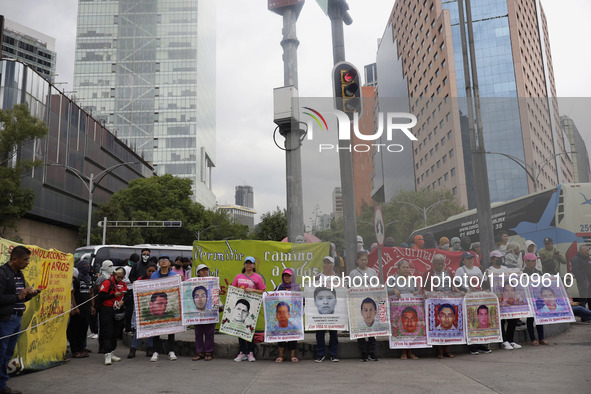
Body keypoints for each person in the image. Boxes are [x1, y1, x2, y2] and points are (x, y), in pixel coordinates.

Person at [0, 246, 40, 393]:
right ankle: (2, 386)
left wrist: (30, 295)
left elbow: (21, 297)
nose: (27, 263)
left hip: (17, 318)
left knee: (8, 353)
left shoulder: (19, 274)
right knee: (1, 353)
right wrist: (19, 296)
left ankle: (2, 385)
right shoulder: (3, 273)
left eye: (28, 259)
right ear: (14, 259)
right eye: (25, 259)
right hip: (5, 320)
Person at [482, 250, 520, 351]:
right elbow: (487, 285)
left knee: (512, 319)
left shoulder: (505, 268)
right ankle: (503, 341)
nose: (499, 259)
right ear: (492, 259)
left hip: (508, 298)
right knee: (502, 321)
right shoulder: (488, 270)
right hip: (497, 300)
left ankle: (510, 340)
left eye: (500, 257)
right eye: (496, 257)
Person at [231, 256, 266, 362]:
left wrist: (252, 290)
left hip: (252, 307)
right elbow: (233, 289)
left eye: (250, 263)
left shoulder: (257, 277)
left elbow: (263, 290)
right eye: (247, 263)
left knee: (250, 328)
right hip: (240, 306)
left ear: (254, 265)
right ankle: (242, 352)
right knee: (240, 328)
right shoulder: (239, 276)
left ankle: (250, 352)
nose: (248, 265)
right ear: (244, 264)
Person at [149, 255, 179, 362]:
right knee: (156, 329)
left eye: (165, 260)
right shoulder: (154, 275)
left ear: (169, 263)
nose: (163, 262)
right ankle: (156, 351)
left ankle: (171, 351)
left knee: (171, 328)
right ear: (158, 263)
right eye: (161, 261)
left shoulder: (175, 275)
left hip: (169, 303)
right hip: (158, 305)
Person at [97, 266, 127, 365]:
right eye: (119, 277)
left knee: (116, 333)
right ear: (114, 275)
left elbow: (126, 296)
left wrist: (122, 301)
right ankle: (107, 354)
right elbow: (101, 297)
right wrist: (113, 296)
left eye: (122, 277)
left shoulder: (123, 284)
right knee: (108, 332)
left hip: (118, 310)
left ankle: (112, 352)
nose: (120, 279)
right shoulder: (107, 283)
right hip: (107, 310)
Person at [127, 263, 157, 358]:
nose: (151, 273)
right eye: (149, 271)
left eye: (153, 271)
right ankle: (133, 348)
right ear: (146, 271)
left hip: (153, 307)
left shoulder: (158, 280)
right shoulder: (140, 280)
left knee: (151, 329)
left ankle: (149, 348)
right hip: (142, 307)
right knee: (138, 329)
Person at [274, 268, 301, 363]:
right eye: (285, 276)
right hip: (281, 316)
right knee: (280, 334)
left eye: (289, 276)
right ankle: (280, 355)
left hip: (292, 316)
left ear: (292, 277)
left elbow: (301, 301)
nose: (287, 278)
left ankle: (293, 355)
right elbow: (273, 301)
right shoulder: (278, 288)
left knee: (293, 335)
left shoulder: (297, 288)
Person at [522, 253, 549, 345]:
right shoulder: (523, 273)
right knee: (530, 319)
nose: (534, 262)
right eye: (532, 261)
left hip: (538, 298)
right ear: (527, 262)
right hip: (529, 299)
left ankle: (541, 338)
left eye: (535, 260)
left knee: (539, 318)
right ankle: (533, 339)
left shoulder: (538, 271)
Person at [192, 263, 217, 362]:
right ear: (198, 273)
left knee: (209, 332)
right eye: (202, 270)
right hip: (197, 312)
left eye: (206, 270)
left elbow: (216, 292)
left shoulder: (213, 281)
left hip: (209, 311)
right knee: (198, 332)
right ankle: (199, 352)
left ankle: (208, 352)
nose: (205, 272)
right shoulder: (192, 282)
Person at [313, 286, 339, 362]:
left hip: (334, 320)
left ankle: (333, 354)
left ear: (336, 301)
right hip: (319, 320)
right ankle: (320, 354)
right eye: (320, 298)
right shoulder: (318, 277)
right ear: (315, 302)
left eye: (329, 298)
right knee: (320, 334)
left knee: (334, 334)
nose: (325, 302)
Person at [358, 298, 378, 362]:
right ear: (361, 312)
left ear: (375, 312)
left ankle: (371, 353)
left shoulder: (378, 324)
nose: (368, 313)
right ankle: (364, 353)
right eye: (365, 310)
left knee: (373, 334)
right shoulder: (358, 325)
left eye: (371, 310)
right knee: (360, 335)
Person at [570, 245, 591, 309]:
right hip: (583, 282)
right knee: (583, 298)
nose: (588, 252)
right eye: (586, 250)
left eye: (588, 250)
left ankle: (589, 313)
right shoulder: (576, 259)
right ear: (581, 250)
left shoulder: (587, 258)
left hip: (589, 281)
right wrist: (582, 279)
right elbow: (575, 270)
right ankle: (583, 314)